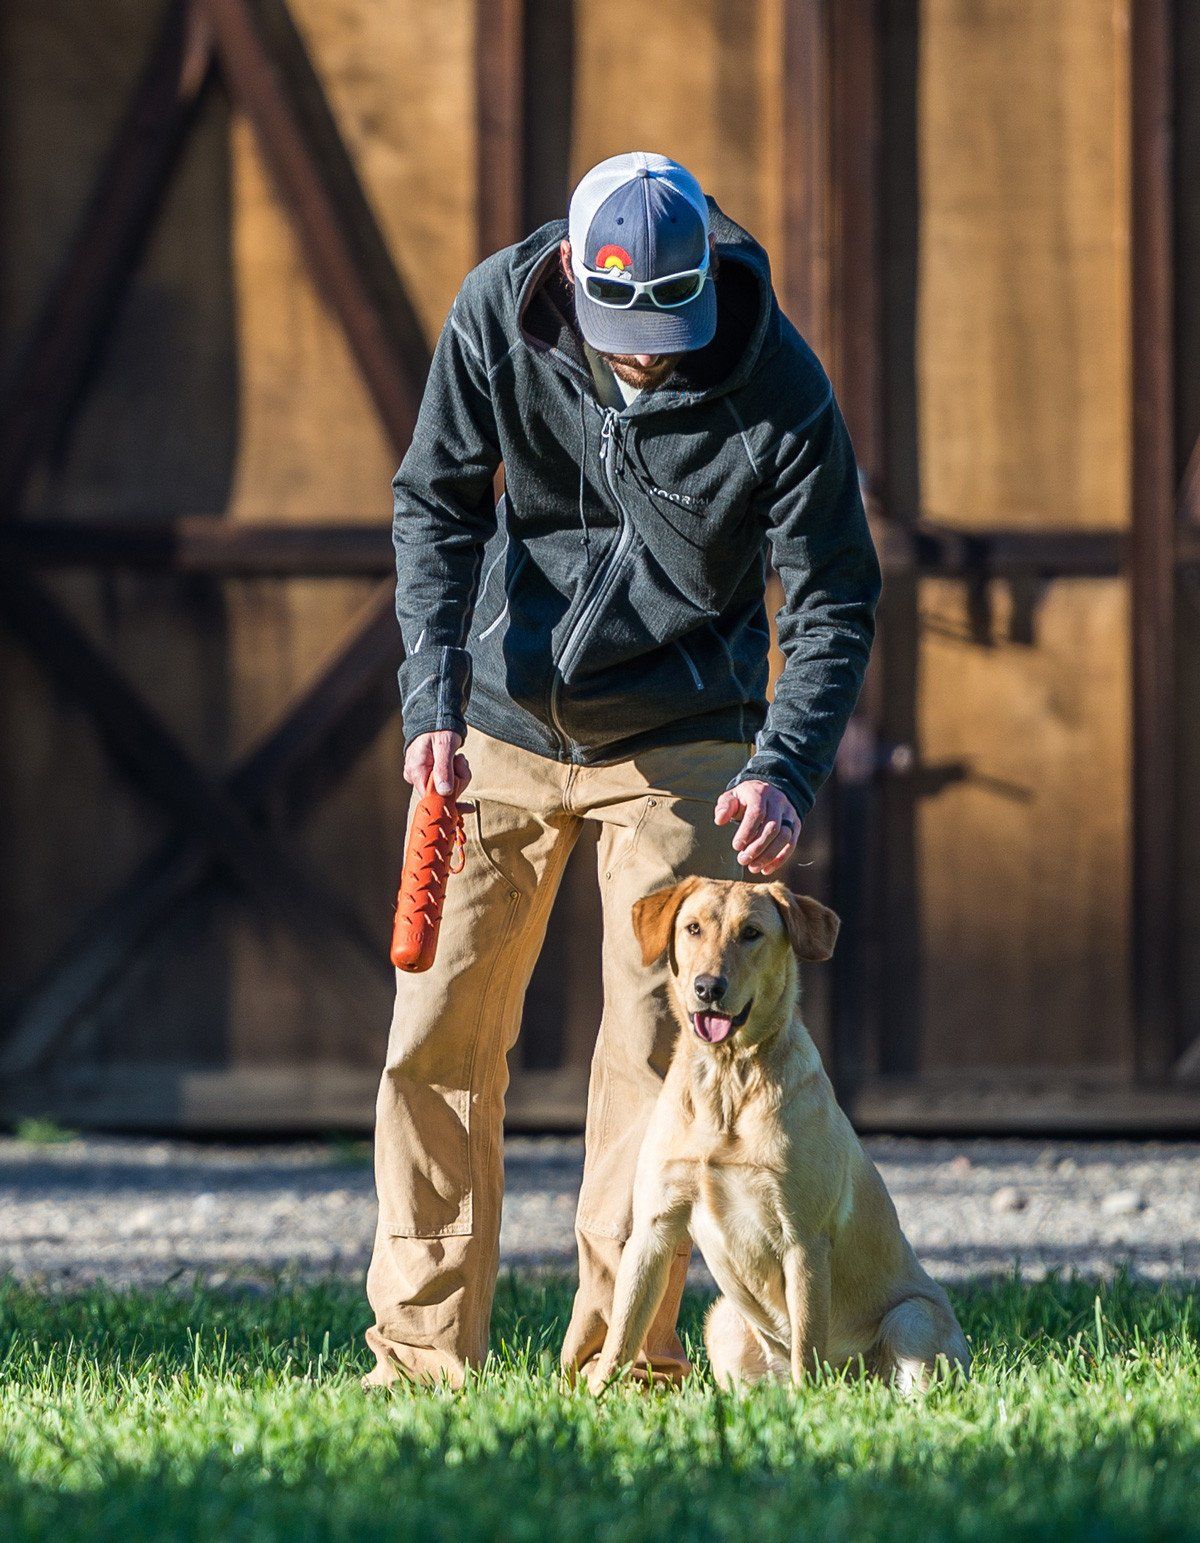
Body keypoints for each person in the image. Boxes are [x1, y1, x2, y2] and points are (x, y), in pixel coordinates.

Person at [364, 151, 881, 1388]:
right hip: (496, 714)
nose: (644, 355)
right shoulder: (500, 306)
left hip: (680, 727)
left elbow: (834, 597)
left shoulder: (778, 387)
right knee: (434, 1038)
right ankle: (422, 1357)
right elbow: (434, 500)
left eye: (667, 327)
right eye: (621, 330)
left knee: (659, 1045)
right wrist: (431, 691)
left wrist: (784, 766)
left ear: (708, 277)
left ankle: (621, 1365)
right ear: (567, 281)